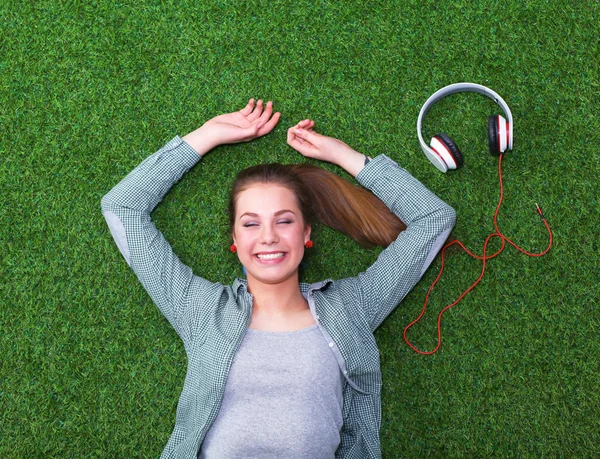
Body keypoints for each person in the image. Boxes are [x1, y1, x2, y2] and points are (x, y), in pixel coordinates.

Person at [101, 99, 456, 459]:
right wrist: (207, 136)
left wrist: (344, 156)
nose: (268, 236)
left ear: (306, 233)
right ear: (235, 242)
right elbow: (122, 207)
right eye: (251, 223)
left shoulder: (352, 307)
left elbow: (434, 219)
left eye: (284, 221)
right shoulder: (202, 310)